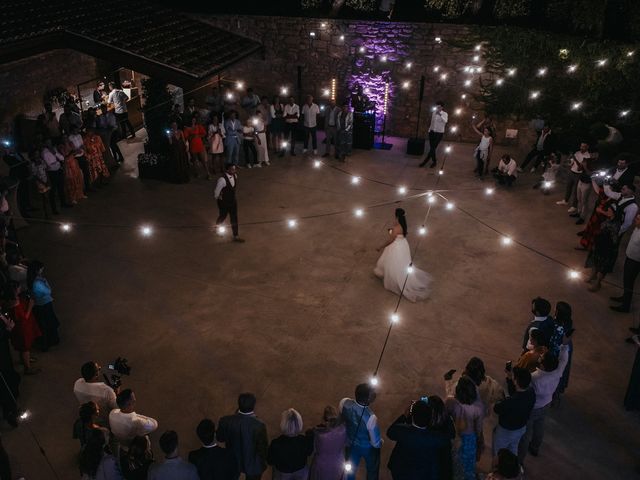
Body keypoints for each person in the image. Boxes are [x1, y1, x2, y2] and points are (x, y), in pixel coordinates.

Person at [518, 342, 570, 462]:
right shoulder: (557, 372)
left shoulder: (535, 377)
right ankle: (535, 447)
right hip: (546, 404)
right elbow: (563, 360)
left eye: (541, 358)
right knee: (539, 426)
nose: (540, 358)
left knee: (526, 433)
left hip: (533, 407)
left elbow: (524, 386)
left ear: (543, 365)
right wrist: (565, 346)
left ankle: (520, 459)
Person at [586, 184, 638, 292]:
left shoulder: (633, 207)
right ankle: (593, 274)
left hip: (613, 234)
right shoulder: (620, 196)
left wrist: (615, 233)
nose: (622, 189)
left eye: (625, 188)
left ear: (631, 192)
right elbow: (609, 193)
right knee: (596, 253)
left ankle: (598, 283)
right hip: (605, 229)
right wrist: (605, 183)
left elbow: (627, 224)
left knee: (605, 258)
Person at [374, 208, 430, 302]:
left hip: (396, 246)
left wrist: (380, 247)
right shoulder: (403, 224)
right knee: (401, 262)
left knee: (393, 262)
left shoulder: (397, 228)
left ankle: (394, 279)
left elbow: (390, 240)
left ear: (397, 216)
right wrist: (393, 230)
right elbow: (401, 234)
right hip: (403, 244)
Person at [386, 399, 450, 480]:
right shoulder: (436, 438)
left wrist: (404, 416)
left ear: (412, 416)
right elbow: (447, 437)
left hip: (400, 473)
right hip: (424, 475)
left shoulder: (401, 431)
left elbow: (390, 432)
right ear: (430, 418)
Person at [217, 393, 268, 480]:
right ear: (253, 405)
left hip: (232, 462)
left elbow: (220, 438)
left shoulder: (225, 421)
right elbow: (263, 448)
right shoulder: (259, 425)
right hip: (253, 466)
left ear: (239, 404)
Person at [340, 383, 382, 480]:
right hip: (366, 447)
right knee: (373, 467)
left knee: (350, 470)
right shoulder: (371, 417)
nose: (374, 394)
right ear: (367, 399)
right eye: (372, 394)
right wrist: (380, 442)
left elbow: (343, 417)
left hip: (350, 443)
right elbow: (375, 443)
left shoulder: (344, 402)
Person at [445, 376, 484, 480]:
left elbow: (445, 416)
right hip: (470, 438)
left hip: (454, 436)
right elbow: (479, 429)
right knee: (468, 465)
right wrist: (479, 440)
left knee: (453, 462)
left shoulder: (451, 402)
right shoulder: (478, 407)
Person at [493, 368, 534, 457]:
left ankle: (498, 469)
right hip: (521, 428)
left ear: (516, 381)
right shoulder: (531, 393)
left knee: (498, 453)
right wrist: (509, 379)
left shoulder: (511, 402)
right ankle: (513, 467)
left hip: (506, 431)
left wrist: (499, 400)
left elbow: (497, 409)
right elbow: (517, 393)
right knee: (513, 448)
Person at [3, 283, 41, 374]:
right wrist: (30, 305)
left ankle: (24, 360)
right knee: (25, 347)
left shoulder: (9, 300)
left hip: (20, 328)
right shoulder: (15, 304)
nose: (20, 288)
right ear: (14, 291)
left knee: (23, 347)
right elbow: (24, 317)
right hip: (22, 328)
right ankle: (27, 368)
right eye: (18, 287)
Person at [267, 408, 313, 480]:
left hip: (283, 474)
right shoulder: (304, 440)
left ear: (283, 424)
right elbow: (309, 452)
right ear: (299, 423)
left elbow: (270, 461)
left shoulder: (276, 443)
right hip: (301, 472)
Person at [27, 260, 60, 350]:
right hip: (44, 304)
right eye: (41, 269)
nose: (42, 270)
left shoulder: (32, 279)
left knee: (45, 323)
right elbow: (48, 291)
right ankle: (50, 341)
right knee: (49, 323)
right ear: (37, 270)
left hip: (40, 304)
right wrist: (45, 282)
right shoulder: (38, 283)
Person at [308, 406, 347, 480]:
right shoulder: (344, 430)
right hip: (338, 463)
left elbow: (314, 448)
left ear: (324, 419)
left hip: (321, 465)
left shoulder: (318, 433)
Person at [611, 213, 640, 313]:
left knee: (629, 282)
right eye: (636, 218)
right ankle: (624, 297)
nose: (635, 220)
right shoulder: (637, 228)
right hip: (629, 258)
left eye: (638, 219)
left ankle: (625, 306)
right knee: (626, 280)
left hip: (635, 262)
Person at [557, 143, 591, 216]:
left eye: (584, 147)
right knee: (568, 187)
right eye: (581, 146)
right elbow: (572, 162)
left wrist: (575, 158)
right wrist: (570, 162)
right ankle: (565, 201)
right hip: (572, 172)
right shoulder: (577, 152)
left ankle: (574, 206)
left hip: (579, 174)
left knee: (576, 191)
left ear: (587, 147)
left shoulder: (587, 156)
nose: (582, 148)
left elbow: (580, 168)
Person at [214, 164, 244, 243]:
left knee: (234, 218)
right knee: (223, 216)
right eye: (232, 169)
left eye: (234, 169)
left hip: (233, 201)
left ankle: (235, 235)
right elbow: (216, 192)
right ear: (227, 170)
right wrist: (219, 198)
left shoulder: (235, 176)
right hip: (224, 202)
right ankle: (217, 228)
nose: (234, 171)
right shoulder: (222, 179)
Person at [41, 139, 70, 213]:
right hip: (52, 173)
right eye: (48, 143)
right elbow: (49, 165)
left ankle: (63, 203)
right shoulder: (44, 152)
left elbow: (62, 158)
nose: (50, 144)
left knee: (61, 187)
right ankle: (54, 209)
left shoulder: (54, 149)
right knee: (53, 191)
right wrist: (57, 162)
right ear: (45, 144)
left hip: (58, 171)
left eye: (50, 142)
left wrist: (55, 154)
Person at [58, 135, 86, 204]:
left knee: (77, 177)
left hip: (73, 162)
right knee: (71, 180)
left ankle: (79, 194)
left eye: (66, 137)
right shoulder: (61, 146)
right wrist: (73, 152)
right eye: (64, 138)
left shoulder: (70, 143)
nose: (65, 139)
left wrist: (76, 152)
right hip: (67, 164)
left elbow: (75, 151)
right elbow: (65, 155)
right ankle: (72, 197)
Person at [420, 101, 448, 168]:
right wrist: (429, 130)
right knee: (432, 148)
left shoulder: (445, 114)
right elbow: (432, 122)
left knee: (433, 148)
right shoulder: (434, 113)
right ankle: (434, 161)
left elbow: (445, 121)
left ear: (442, 107)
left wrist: (440, 115)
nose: (438, 108)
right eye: (437, 107)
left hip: (439, 133)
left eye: (439, 107)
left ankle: (425, 162)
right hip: (432, 132)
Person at [185, 114, 210, 179]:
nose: (193, 121)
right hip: (192, 145)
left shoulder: (198, 126)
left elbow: (204, 133)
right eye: (192, 120)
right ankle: (197, 173)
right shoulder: (187, 128)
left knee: (203, 160)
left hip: (199, 144)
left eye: (194, 120)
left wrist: (199, 136)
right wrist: (192, 136)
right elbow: (186, 137)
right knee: (195, 161)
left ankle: (208, 173)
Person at [68, 125, 92, 193]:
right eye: (75, 130)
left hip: (82, 155)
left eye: (77, 130)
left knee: (86, 171)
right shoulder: (70, 138)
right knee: (78, 174)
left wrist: (83, 149)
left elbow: (82, 144)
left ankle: (88, 187)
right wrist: (76, 150)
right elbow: (71, 148)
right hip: (76, 157)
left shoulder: (79, 135)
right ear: (72, 130)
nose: (76, 131)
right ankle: (80, 189)